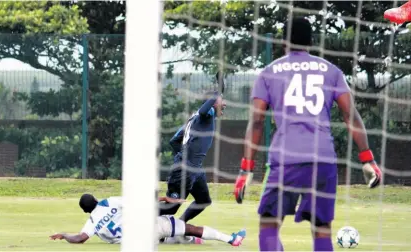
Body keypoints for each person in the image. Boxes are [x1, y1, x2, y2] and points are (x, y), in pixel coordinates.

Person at [233, 17, 382, 251]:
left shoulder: (269, 72)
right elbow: (350, 115)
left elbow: (257, 120)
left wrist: (246, 168)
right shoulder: (331, 71)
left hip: (286, 160)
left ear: (284, 41)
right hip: (322, 159)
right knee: (321, 229)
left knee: (269, 226)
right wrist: (367, 159)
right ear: (310, 42)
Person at [49, 193, 246, 247]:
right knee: (190, 228)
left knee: (167, 235)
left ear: (86, 211)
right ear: (96, 200)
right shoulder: (108, 202)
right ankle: (231, 239)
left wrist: (64, 235)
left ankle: (189, 240)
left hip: (137, 243)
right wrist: (165, 199)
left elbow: (80, 238)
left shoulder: (91, 223)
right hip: (148, 226)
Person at [159, 90, 226, 222]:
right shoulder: (207, 113)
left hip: (195, 169)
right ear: (211, 102)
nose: (225, 104)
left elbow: (174, 140)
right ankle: (134, 224)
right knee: (171, 207)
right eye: (221, 100)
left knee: (203, 200)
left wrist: (185, 157)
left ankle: (179, 226)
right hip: (184, 171)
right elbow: (203, 111)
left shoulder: (195, 119)